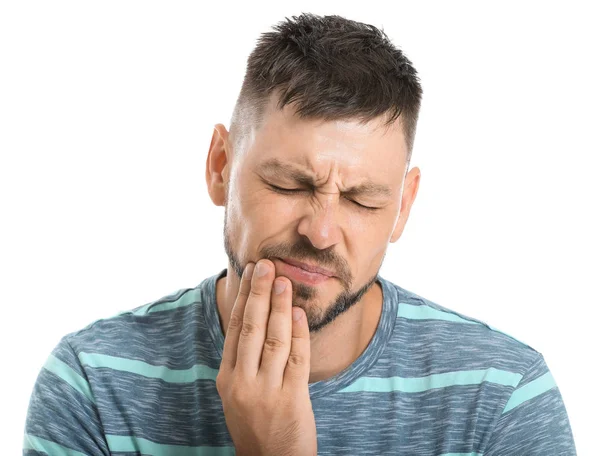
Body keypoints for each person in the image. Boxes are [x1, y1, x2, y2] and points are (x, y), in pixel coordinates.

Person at [23, 12, 577, 456]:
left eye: (363, 199)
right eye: (289, 185)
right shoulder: (92, 383)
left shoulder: (503, 395)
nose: (321, 232)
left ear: (403, 207)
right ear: (220, 166)